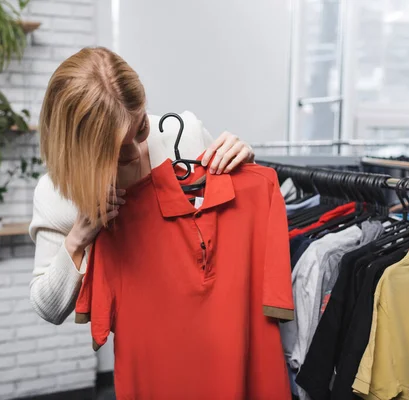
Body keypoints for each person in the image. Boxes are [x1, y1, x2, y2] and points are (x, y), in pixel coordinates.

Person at [29, 47, 255, 325]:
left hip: (217, 323)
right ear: (81, 150)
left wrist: (243, 168)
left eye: (141, 129)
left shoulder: (184, 137)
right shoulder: (57, 194)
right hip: (143, 342)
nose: (136, 153)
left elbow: (236, 229)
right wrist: (78, 238)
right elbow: (48, 309)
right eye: (116, 150)